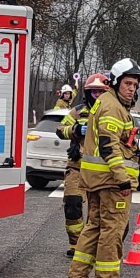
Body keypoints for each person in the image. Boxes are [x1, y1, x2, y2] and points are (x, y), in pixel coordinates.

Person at [69, 61, 140, 278]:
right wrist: (123, 180)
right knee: (112, 230)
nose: (131, 89)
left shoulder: (106, 102)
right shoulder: (113, 107)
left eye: (135, 85)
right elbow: (109, 145)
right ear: (116, 82)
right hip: (111, 181)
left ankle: (77, 274)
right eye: (127, 83)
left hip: (97, 179)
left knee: (94, 225)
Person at [54, 81, 86, 252]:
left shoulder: (111, 111)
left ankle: (93, 245)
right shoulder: (79, 111)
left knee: (100, 213)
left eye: (100, 92)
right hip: (77, 167)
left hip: (103, 170)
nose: (97, 95)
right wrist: (75, 130)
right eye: (94, 92)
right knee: (72, 205)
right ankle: (76, 244)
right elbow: (60, 129)